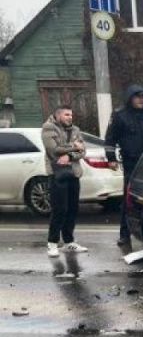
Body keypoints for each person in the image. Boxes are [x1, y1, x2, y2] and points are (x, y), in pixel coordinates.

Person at [105, 85, 143, 246]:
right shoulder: (120, 116)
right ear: (130, 98)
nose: (141, 99)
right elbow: (110, 139)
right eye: (137, 96)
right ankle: (125, 234)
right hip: (133, 164)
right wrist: (111, 158)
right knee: (129, 199)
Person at [42, 105, 87, 258]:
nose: (70, 117)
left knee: (72, 209)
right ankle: (52, 243)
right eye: (67, 114)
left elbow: (83, 151)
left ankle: (69, 242)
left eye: (71, 115)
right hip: (57, 174)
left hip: (73, 173)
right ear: (58, 115)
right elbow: (54, 150)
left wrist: (70, 155)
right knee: (59, 209)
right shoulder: (48, 128)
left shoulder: (76, 130)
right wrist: (74, 147)